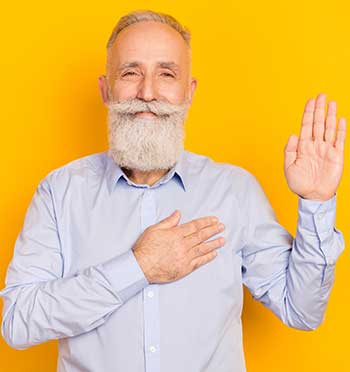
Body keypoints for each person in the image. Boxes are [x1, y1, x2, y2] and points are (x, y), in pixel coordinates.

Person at [0, 9, 346, 372]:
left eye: (166, 74)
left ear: (188, 92)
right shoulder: (60, 193)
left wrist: (316, 204)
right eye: (130, 72)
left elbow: (302, 310)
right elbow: (18, 322)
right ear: (106, 90)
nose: (147, 93)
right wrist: (138, 266)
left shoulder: (234, 190)